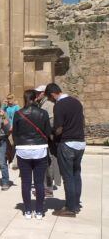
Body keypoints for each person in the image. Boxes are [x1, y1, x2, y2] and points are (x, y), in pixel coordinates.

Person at [45, 83, 86, 218]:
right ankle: (75, 204)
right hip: (80, 143)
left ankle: (70, 208)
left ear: (52, 95)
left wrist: (50, 133)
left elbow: (59, 129)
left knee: (68, 177)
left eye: (50, 99)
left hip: (67, 143)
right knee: (76, 174)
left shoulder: (59, 105)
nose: (51, 101)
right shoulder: (76, 102)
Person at [12, 90, 51, 220]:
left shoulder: (18, 114)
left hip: (23, 150)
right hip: (40, 149)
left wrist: (20, 145)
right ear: (35, 99)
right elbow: (47, 131)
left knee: (26, 182)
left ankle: (28, 211)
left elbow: (15, 134)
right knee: (39, 183)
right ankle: (39, 211)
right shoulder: (43, 113)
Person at [35, 85, 62, 197]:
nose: (36, 95)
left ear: (43, 93)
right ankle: (46, 187)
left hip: (48, 138)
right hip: (45, 138)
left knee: (48, 163)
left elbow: (51, 122)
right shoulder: (42, 104)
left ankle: (48, 189)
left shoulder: (48, 104)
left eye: (38, 93)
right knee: (45, 163)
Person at [3, 94, 20, 170]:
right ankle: (8, 159)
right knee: (7, 144)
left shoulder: (16, 107)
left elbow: (17, 117)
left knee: (14, 144)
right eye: (8, 98)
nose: (9, 100)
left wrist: (13, 126)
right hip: (7, 127)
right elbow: (2, 114)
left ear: (13, 99)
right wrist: (4, 104)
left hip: (14, 128)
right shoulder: (6, 107)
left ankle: (14, 160)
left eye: (10, 98)